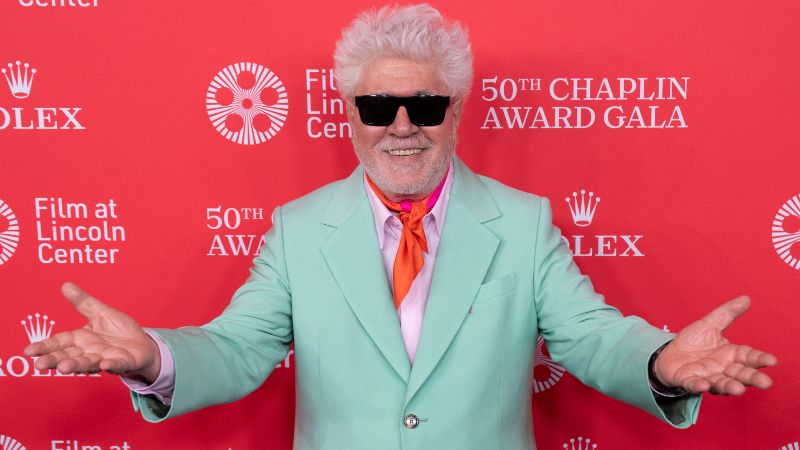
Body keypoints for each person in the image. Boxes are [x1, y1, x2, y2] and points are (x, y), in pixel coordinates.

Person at [25, 4, 777, 450]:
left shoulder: (522, 222)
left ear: (457, 109)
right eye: (380, 108)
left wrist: (659, 364)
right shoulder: (296, 229)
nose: (404, 127)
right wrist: (152, 357)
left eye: (427, 104)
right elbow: (239, 346)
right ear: (351, 115)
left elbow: (589, 334)